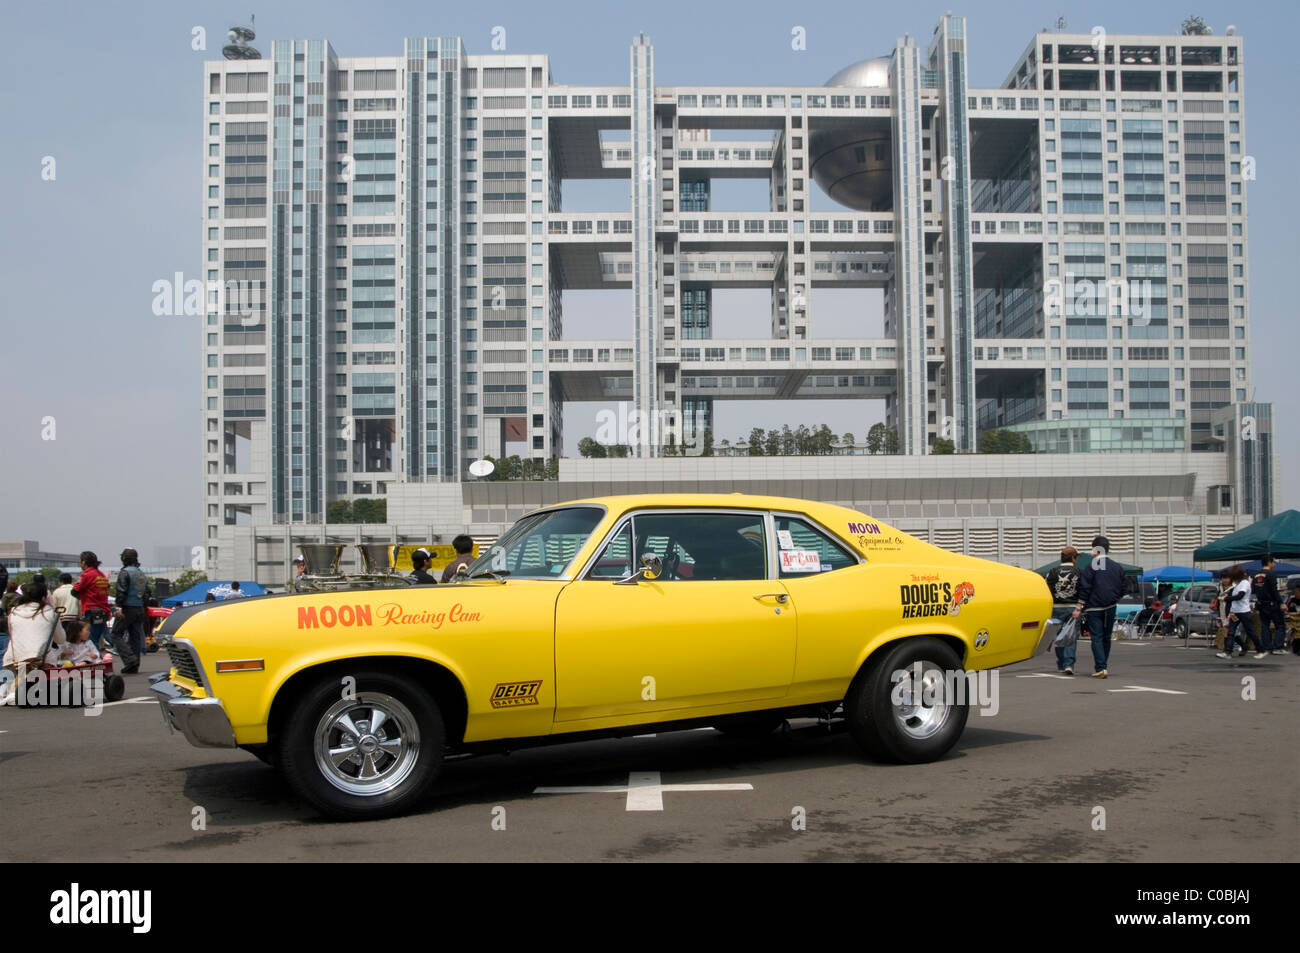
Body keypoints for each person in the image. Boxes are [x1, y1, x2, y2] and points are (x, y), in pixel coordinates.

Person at [1072, 535, 1127, 679]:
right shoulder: (1117, 567)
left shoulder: (1091, 567)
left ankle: (1101, 667)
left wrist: (1080, 606)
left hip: (1094, 607)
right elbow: (1124, 587)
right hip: (1111, 606)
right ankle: (1103, 665)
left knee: (1096, 637)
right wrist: (1115, 598)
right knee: (1106, 637)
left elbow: (1085, 588)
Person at [2, 574, 63, 671]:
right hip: (41, 659)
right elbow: (61, 639)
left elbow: (12, 634)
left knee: (21, 681)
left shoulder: (14, 612)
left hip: (14, 658)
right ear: (44, 597)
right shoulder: (50, 613)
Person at [110, 548, 151, 674]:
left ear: (124, 559)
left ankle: (129, 659)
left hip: (127, 608)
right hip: (139, 608)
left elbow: (121, 591)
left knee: (116, 634)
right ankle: (134, 665)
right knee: (135, 637)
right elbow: (147, 593)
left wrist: (118, 607)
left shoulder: (124, 573)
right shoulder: (141, 573)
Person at [1044, 545, 1081, 674]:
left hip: (1056, 607)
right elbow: (1083, 590)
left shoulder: (1052, 572)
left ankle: (1061, 663)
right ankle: (1069, 664)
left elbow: (1046, 589)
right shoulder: (1078, 572)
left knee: (1058, 636)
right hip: (1073, 608)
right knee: (1070, 636)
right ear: (1073, 558)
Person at [1218, 564, 1263, 659]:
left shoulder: (1244, 583)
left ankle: (1260, 649)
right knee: (1231, 632)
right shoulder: (1237, 584)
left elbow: (1240, 596)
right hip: (1235, 612)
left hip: (1244, 612)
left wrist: (1226, 598)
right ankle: (1228, 652)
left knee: (1250, 631)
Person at [72, 551, 112, 653]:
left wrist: (82, 596)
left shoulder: (86, 575)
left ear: (84, 562)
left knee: (91, 638)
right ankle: (125, 651)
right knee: (104, 635)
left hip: (91, 610)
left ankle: (97, 660)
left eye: (80, 562)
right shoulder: (101, 575)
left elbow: (74, 591)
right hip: (103, 610)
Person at [1252, 556, 1287, 656]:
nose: (1274, 564)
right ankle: (1278, 647)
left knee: (1265, 625)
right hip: (1272, 603)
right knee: (1280, 625)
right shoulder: (1271, 574)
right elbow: (1274, 590)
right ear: (1269, 562)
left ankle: (1267, 646)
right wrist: (1281, 602)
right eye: (1274, 562)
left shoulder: (1256, 575)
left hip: (1261, 603)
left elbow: (1254, 590)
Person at [51, 572, 81, 642]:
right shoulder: (75, 591)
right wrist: (80, 616)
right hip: (74, 617)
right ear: (71, 581)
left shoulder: (57, 591)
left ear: (61, 581)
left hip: (61, 618)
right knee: (73, 638)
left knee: (63, 639)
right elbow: (79, 604)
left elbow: (53, 606)